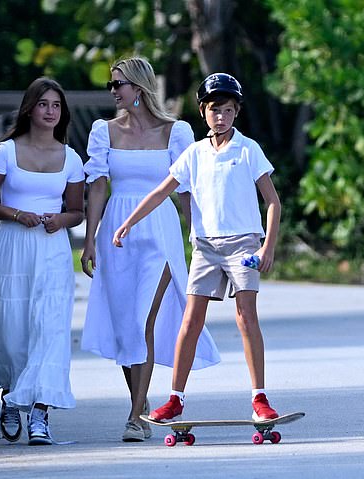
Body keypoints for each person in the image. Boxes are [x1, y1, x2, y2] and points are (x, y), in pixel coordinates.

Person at [113, 73, 282, 423]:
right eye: (215, 109)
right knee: (189, 321)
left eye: (228, 110)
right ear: (203, 111)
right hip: (205, 247)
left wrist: (267, 247)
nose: (221, 116)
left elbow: (273, 202)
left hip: (243, 245)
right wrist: (129, 221)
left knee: (246, 317)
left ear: (237, 113)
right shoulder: (195, 153)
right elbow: (162, 191)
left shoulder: (248, 149)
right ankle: (175, 398)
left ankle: (260, 399)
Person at [80, 57, 220, 442]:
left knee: (144, 317)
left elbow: (187, 190)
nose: (113, 91)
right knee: (126, 322)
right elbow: (97, 187)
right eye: (112, 84)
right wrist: (90, 238)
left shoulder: (176, 132)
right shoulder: (102, 131)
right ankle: (140, 404)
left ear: (138, 88)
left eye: (118, 84)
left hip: (159, 231)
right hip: (117, 232)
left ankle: (135, 416)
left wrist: (201, 237)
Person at [0, 77, 84, 446]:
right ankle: (11, 394)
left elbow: (76, 211)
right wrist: (16, 213)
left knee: (50, 329)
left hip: (51, 250)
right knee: (14, 329)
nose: (50, 111)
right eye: (43, 104)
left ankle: (40, 413)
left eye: (56, 105)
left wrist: (60, 220)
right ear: (29, 108)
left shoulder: (70, 157)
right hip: (12, 247)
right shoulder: (6, 152)